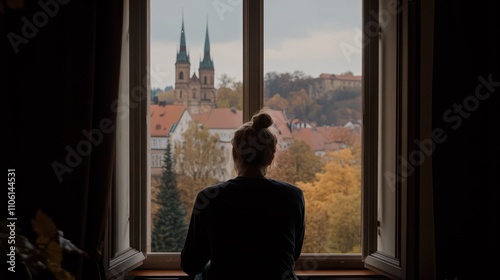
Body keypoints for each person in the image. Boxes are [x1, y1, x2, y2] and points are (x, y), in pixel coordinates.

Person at [180, 110, 306, 280]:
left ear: (234, 154)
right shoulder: (292, 196)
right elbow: (292, 255)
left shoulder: (209, 198)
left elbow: (190, 264)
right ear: (270, 157)